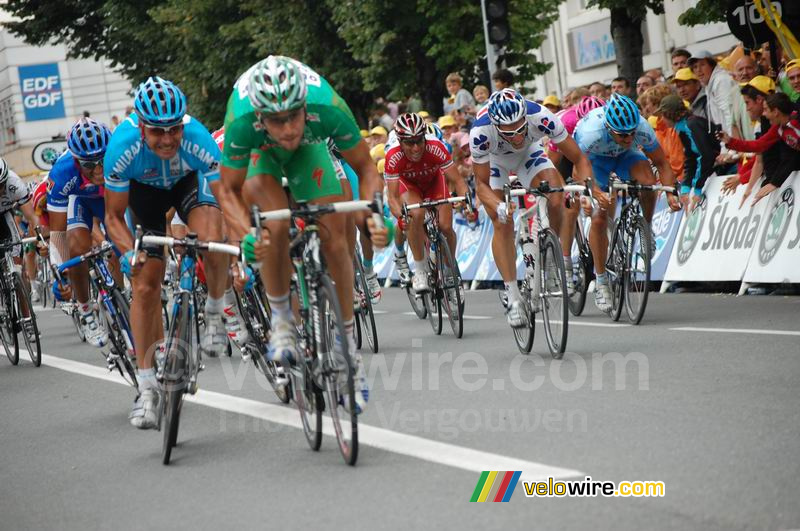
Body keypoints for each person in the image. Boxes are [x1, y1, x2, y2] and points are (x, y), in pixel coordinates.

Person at [214, 56, 386, 416]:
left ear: (305, 106)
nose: (288, 128)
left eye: (294, 115)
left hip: (312, 150)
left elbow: (366, 168)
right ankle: (281, 321)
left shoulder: (328, 106)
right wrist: (246, 232)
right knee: (274, 225)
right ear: (261, 117)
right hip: (260, 156)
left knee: (336, 235)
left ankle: (346, 346)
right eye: (277, 120)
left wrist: (374, 211)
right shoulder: (242, 119)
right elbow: (227, 191)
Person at [104, 77, 228, 429]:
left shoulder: (198, 139)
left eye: (174, 128)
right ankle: (146, 390)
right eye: (158, 131)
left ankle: (216, 312)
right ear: (141, 126)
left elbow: (226, 198)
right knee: (144, 282)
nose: (169, 138)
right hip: (145, 197)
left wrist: (241, 239)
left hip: (189, 185)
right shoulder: (122, 146)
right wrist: (129, 253)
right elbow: (114, 217)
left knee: (212, 237)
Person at [470, 88, 592, 327]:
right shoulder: (480, 132)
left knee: (556, 196)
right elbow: (481, 185)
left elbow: (579, 158)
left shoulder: (541, 116)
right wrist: (499, 206)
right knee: (501, 220)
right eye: (508, 131)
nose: (515, 135)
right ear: (495, 125)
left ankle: (548, 255)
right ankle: (513, 296)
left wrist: (587, 189)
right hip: (495, 161)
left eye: (519, 128)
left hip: (530, 154)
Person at [573, 94, 680, 313]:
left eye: (632, 133)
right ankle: (601, 282)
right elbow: (577, 170)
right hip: (595, 162)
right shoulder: (590, 133)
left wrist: (671, 193)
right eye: (623, 134)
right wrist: (594, 192)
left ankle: (645, 228)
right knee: (600, 217)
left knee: (648, 183)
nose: (630, 137)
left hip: (626, 157)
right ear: (609, 128)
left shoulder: (641, 127)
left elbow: (661, 163)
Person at [47, 118, 122, 348]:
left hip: (110, 196)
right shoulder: (63, 172)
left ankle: (122, 300)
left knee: (120, 244)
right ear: (77, 161)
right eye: (89, 164)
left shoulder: (120, 155)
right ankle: (86, 310)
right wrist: (60, 272)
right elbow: (58, 233)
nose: (98, 169)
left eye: (102, 160)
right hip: (80, 201)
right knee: (77, 249)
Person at [384, 113, 473, 294]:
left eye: (419, 141)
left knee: (446, 227)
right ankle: (420, 270)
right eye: (410, 143)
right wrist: (401, 217)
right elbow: (392, 198)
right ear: (400, 141)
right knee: (414, 215)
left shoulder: (436, 147)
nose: (416, 147)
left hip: (433, 182)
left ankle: (449, 270)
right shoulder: (393, 156)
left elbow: (458, 181)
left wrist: (467, 203)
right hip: (409, 186)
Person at [720, 92, 800, 204]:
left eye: (766, 110)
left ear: (776, 112)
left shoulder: (797, 119)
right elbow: (759, 145)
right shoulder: (778, 128)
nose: (764, 114)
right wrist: (730, 141)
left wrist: (775, 182)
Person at [0, 157, 43, 343]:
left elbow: (32, 216)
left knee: (18, 272)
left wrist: (40, 236)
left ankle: (27, 320)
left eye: (1, 185)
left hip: (5, 218)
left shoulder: (14, 183)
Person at [657, 95, 719, 210]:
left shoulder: (692, 125)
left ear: (670, 114)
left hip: (724, 168)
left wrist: (697, 188)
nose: (661, 120)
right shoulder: (682, 129)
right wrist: (686, 187)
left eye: (662, 115)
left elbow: (705, 156)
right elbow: (690, 158)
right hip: (714, 169)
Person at [720, 76, 778, 196]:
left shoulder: (777, 122)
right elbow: (759, 159)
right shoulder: (761, 124)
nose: (747, 109)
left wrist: (731, 141)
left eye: (747, 103)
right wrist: (743, 179)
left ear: (759, 99)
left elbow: (759, 147)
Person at [689, 50, 737, 134]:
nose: (698, 70)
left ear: (712, 65)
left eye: (702, 65)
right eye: (695, 67)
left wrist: (732, 142)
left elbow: (729, 114)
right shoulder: (710, 84)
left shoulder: (721, 81)